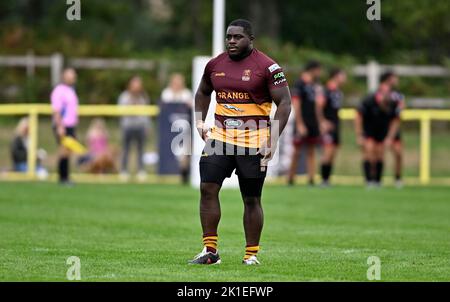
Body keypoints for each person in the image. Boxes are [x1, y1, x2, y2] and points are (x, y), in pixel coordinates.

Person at [189, 19, 291, 265]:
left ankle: (251, 255)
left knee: (251, 199)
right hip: (220, 138)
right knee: (207, 189)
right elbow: (202, 92)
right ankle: (210, 251)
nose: (231, 41)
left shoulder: (267, 67)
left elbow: (285, 103)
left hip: (254, 140)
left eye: (237, 37)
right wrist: (199, 121)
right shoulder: (215, 65)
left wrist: (273, 139)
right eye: (228, 37)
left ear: (250, 39)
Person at [355, 82, 400, 187]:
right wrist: (359, 134)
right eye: (384, 92)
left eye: (388, 92)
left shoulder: (392, 103)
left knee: (380, 154)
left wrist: (390, 137)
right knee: (369, 151)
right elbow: (358, 117)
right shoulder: (369, 101)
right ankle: (368, 180)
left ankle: (378, 181)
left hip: (382, 131)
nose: (386, 94)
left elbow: (395, 121)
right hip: (369, 130)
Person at [287, 61, 323, 186]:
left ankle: (311, 179)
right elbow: (296, 104)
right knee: (297, 151)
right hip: (302, 122)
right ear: (312, 69)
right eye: (318, 70)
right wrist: (300, 124)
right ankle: (290, 178)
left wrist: (319, 122)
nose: (319, 73)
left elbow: (317, 105)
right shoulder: (299, 84)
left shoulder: (314, 85)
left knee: (311, 150)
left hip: (312, 122)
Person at [316, 68, 347, 186]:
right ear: (336, 76)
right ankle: (323, 180)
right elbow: (318, 107)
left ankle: (327, 179)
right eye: (343, 75)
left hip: (336, 125)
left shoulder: (338, 92)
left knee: (333, 152)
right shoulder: (326, 90)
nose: (345, 78)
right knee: (327, 152)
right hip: (328, 126)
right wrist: (322, 122)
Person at [161, 73, 193, 184]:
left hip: (183, 129)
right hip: (169, 129)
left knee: (184, 152)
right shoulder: (167, 93)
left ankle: (184, 173)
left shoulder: (186, 93)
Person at [118, 76, 151, 181]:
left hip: (140, 126)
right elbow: (120, 111)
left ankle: (141, 171)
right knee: (126, 149)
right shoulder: (124, 96)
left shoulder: (143, 97)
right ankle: (124, 171)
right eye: (134, 85)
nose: (136, 88)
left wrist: (147, 126)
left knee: (141, 150)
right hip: (127, 126)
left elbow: (147, 113)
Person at [51, 67, 79, 185]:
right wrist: (59, 126)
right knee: (64, 150)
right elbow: (57, 110)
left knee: (68, 151)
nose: (72, 77)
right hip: (63, 125)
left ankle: (65, 176)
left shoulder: (71, 90)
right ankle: (62, 177)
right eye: (70, 75)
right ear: (64, 76)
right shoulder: (59, 90)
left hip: (71, 125)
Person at [379, 71, 405, 187]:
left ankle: (398, 179)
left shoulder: (398, 94)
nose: (397, 80)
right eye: (395, 77)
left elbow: (401, 109)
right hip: (380, 127)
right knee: (378, 154)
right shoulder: (379, 92)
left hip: (394, 127)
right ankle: (375, 180)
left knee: (398, 153)